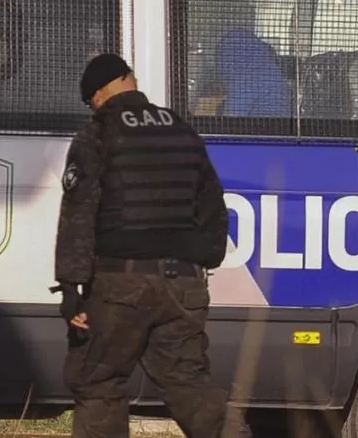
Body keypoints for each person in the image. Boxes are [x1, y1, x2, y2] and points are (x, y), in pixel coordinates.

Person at [51, 52, 251, 438]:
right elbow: (212, 206)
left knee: (98, 383)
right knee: (190, 385)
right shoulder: (181, 130)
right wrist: (199, 262)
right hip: (184, 285)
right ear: (131, 79)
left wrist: (71, 289)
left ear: (99, 93)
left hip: (120, 286)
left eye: (90, 98)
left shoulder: (98, 134)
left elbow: (79, 213)